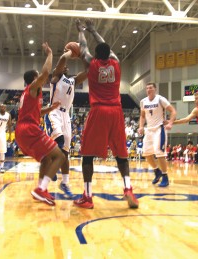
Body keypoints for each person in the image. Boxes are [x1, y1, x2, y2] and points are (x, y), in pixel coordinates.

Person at [73, 19, 139, 209]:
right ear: (109, 54)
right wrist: (93, 30)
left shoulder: (91, 64)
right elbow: (103, 47)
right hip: (116, 112)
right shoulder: (116, 63)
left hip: (99, 110)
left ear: (96, 55)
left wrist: (81, 31)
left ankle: (87, 196)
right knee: (121, 154)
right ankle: (128, 188)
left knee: (87, 154)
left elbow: (83, 48)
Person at [15, 42, 65, 206]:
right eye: (39, 77)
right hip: (29, 130)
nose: (42, 79)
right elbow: (45, 73)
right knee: (59, 156)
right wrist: (50, 54)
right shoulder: (32, 87)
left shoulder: (30, 94)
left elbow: (35, 113)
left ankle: (40, 190)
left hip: (23, 131)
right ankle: (41, 189)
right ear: (34, 79)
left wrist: (49, 108)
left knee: (46, 159)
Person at [44, 48, 87, 198]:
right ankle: (51, 165)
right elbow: (62, 59)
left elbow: (87, 72)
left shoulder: (72, 80)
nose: (65, 67)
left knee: (65, 152)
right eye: (62, 67)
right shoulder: (56, 78)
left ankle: (65, 182)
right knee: (59, 141)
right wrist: (70, 52)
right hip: (53, 112)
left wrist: (82, 56)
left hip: (66, 116)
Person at [138, 82, 176, 187]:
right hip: (149, 130)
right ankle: (157, 171)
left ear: (155, 89)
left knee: (159, 154)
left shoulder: (160, 99)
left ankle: (165, 177)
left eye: (150, 88)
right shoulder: (143, 101)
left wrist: (170, 123)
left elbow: (173, 111)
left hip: (159, 129)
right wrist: (141, 126)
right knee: (146, 154)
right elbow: (142, 116)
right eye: (147, 88)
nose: (148, 90)